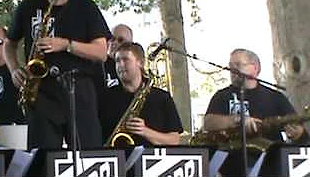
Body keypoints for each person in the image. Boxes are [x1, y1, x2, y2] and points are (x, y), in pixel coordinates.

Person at [4, 0, 112, 149]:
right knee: (42, 157)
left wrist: (66, 45)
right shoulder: (28, 6)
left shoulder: (86, 8)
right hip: (41, 90)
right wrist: (13, 69)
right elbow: (9, 44)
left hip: (78, 89)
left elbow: (101, 52)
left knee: (87, 153)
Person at [204, 48, 308, 176]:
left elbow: (302, 137)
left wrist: (298, 134)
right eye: (230, 66)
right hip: (229, 166)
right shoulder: (222, 96)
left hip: (269, 166)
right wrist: (238, 120)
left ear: (255, 68)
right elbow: (208, 123)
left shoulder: (276, 97)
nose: (232, 69)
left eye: (238, 65)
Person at [99, 42, 183, 146]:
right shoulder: (106, 98)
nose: (120, 65)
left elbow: (174, 140)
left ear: (141, 62)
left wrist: (145, 131)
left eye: (125, 60)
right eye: (117, 61)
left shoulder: (162, 97)